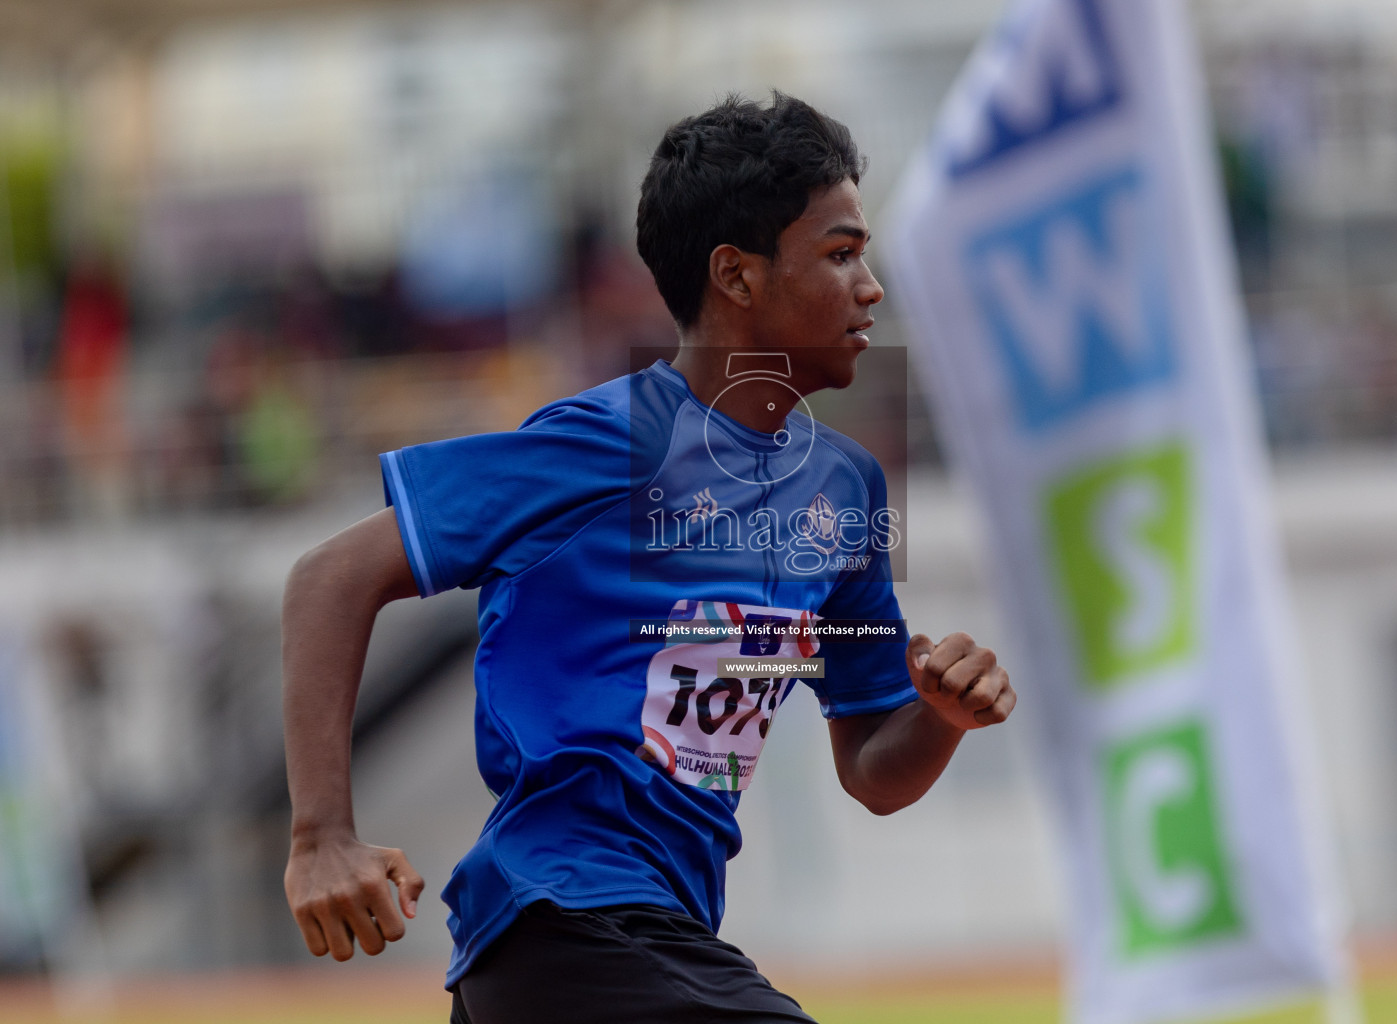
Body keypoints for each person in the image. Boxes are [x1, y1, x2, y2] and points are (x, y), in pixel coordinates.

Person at [281, 92, 1016, 1024]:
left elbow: (873, 763)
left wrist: (942, 717)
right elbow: (329, 578)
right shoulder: (610, 443)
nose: (870, 284)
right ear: (736, 277)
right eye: (839, 254)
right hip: (563, 917)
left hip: (637, 942)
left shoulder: (847, 491)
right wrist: (320, 835)